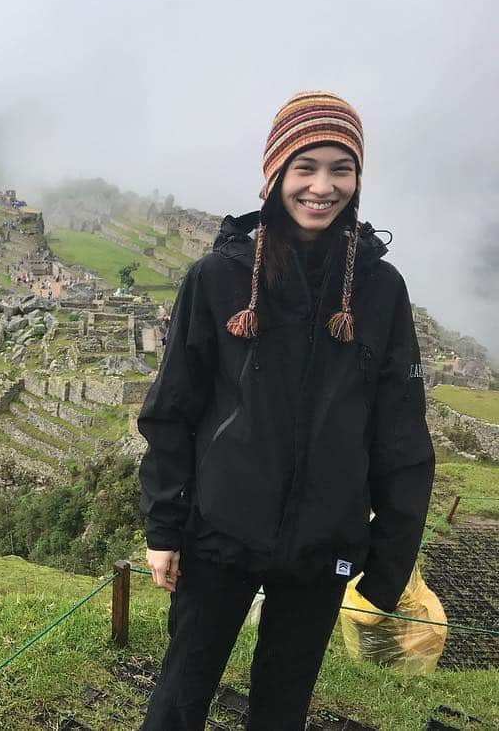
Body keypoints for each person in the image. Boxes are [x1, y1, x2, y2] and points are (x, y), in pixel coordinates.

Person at [137, 91, 434, 730]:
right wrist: (165, 528)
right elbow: (173, 408)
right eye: (306, 167)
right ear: (275, 173)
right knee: (181, 695)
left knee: (283, 707)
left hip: (324, 540)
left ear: (357, 178)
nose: (322, 187)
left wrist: (389, 561)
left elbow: (400, 428)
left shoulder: (381, 290)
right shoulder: (218, 276)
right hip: (220, 531)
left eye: (340, 168)